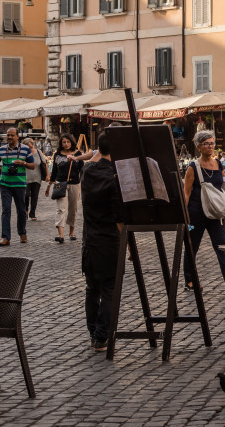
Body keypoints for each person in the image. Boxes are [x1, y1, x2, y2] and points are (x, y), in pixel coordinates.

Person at [80, 129, 123, 352]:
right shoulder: (115, 178)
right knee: (109, 289)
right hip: (109, 240)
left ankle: (94, 333)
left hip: (90, 239)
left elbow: (95, 158)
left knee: (92, 289)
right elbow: (118, 217)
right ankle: (101, 336)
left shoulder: (87, 171)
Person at [183, 130, 225, 291]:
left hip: (215, 212)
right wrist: (184, 215)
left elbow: (221, 184)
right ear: (198, 146)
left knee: (222, 246)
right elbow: (186, 192)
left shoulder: (218, 164)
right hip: (196, 213)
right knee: (192, 247)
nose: (210, 146)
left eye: (212, 143)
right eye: (206, 143)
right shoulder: (193, 167)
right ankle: (190, 280)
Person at [0, 127, 35, 246]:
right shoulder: (1, 149)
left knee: (21, 210)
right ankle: (6, 237)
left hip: (20, 184)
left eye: (12, 135)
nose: (9, 137)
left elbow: (33, 166)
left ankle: (22, 233)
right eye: (8, 135)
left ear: (17, 136)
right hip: (5, 184)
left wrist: (23, 163)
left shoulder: (25, 149)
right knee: (6, 210)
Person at [48, 133, 91, 242]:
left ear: (72, 142)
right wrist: (49, 185)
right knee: (61, 208)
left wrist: (85, 184)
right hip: (60, 184)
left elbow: (82, 170)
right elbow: (54, 171)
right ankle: (61, 235)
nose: (66, 144)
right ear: (61, 144)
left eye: (68, 142)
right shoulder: (57, 155)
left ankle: (71, 232)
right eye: (64, 142)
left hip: (75, 184)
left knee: (73, 209)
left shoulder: (77, 154)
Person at [22, 138, 47, 222]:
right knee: (25, 195)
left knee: (34, 196)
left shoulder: (38, 152)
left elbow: (44, 163)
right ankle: (25, 211)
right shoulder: (23, 153)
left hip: (37, 177)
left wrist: (48, 175)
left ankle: (32, 213)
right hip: (26, 177)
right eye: (28, 147)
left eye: (31, 146)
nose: (30, 148)